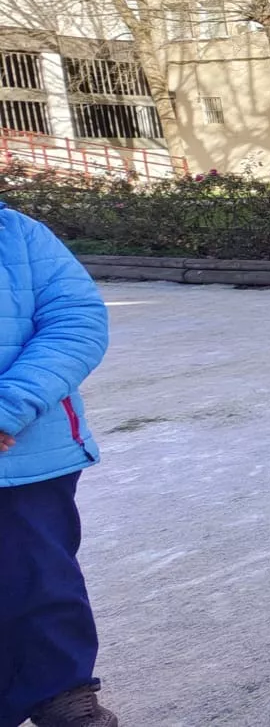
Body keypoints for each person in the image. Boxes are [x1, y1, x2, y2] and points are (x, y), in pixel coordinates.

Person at [0, 202, 118, 727]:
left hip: (25, 453)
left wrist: (7, 407)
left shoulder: (19, 234)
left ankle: (61, 692)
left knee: (40, 580)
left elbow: (76, 322)